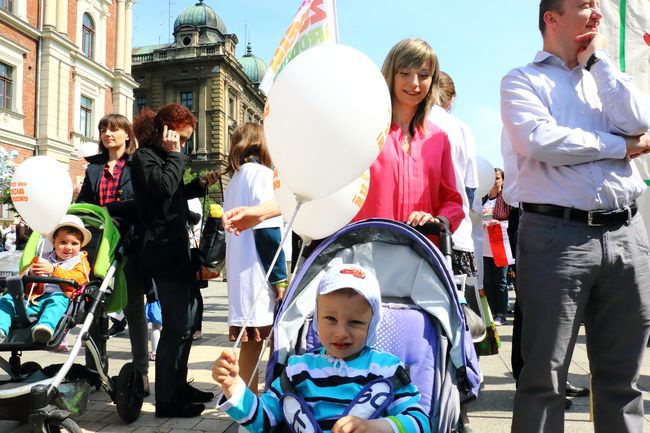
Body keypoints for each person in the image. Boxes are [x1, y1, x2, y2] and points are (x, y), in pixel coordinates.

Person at [500, 1, 650, 432]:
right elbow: (541, 141)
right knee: (543, 378)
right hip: (555, 237)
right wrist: (619, 146)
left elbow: (639, 120)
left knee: (623, 380)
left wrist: (598, 63)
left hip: (626, 233)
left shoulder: (604, 79)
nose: (597, 13)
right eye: (585, 5)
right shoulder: (521, 80)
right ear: (552, 17)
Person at [213, 263, 431, 433]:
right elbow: (263, 420)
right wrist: (233, 387)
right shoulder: (298, 370)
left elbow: (420, 421)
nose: (341, 332)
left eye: (355, 322)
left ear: (372, 325)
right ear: (316, 319)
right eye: (330, 319)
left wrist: (378, 427)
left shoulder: (387, 370)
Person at [131, 103, 219, 418]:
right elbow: (164, 186)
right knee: (173, 327)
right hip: (162, 254)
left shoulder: (163, 158)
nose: (183, 146)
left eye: (185, 141)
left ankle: (178, 385)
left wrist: (198, 185)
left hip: (177, 252)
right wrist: (176, 155)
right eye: (180, 138)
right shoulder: (144, 157)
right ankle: (167, 400)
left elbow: (173, 195)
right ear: (165, 131)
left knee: (186, 326)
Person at [352, 39, 463, 233]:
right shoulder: (363, 128)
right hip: (364, 250)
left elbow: (452, 201)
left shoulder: (439, 138)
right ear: (390, 74)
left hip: (420, 253)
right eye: (404, 73)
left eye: (423, 75)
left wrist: (437, 220)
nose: (414, 83)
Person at [76, 113, 150, 394]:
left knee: (133, 309)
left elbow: (142, 205)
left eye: (114, 129)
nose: (108, 133)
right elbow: (83, 203)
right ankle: (94, 372)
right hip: (97, 247)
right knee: (92, 309)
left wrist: (111, 211)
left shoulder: (137, 164)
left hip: (129, 245)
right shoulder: (93, 168)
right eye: (104, 128)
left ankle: (141, 372)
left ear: (127, 135)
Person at [222, 122, 288, 395]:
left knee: (249, 344)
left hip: (241, 270)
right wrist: (280, 277)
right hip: (259, 270)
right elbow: (267, 233)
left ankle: (246, 404)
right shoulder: (262, 175)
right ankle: (249, 408)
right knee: (258, 343)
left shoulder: (235, 179)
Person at [0, 215, 91, 344]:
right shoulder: (43, 257)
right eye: (63, 242)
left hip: (58, 297)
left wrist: (54, 270)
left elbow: (80, 278)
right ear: (54, 242)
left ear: (81, 245)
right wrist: (30, 272)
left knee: (57, 300)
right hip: (31, 299)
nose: (68, 247)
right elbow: (23, 274)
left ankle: (44, 328)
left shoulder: (80, 262)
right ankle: (1, 328)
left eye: (74, 243)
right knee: (7, 299)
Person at [480, 168, 510, 326]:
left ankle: (501, 313)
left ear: (503, 181)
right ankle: (490, 311)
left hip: (499, 246)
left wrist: (499, 224)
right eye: (492, 178)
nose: (494, 181)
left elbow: (514, 221)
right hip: (484, 246)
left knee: (500, 281)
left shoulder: (506, 199)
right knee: (487, 281)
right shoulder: (482, 199)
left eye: (497, 178)